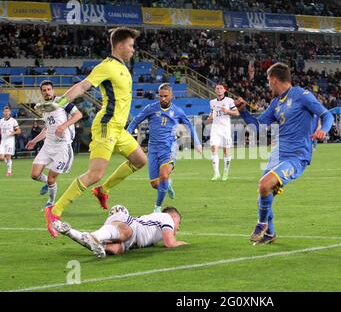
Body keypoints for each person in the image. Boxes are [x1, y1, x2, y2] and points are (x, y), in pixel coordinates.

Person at [37, 27, 147, 238]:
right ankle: (54, 211)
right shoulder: (106, 66)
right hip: (106, 126)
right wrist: (59, 103)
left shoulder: (123, 67)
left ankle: (103, 190)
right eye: (131, 45)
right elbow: (82, 86)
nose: (133, 50)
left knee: (140, 161)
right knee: (94, 174)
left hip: (119, 128)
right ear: (121, 45)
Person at [234, 63, 334, 244]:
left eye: (268, 81)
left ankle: (261, 224)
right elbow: (258, 127)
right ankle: (270, 234)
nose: (268, 85)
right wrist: (243, 111)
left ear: (273, 80)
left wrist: (323, 130)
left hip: (297, 155)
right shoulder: (275, 103)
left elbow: (327, 115)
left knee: (264, 185)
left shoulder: (302, 95)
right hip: (278, 153)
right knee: (262, 197)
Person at [127, 83, 202, 213]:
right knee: (155, 184)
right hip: (153, 149)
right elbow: (136, 120)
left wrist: (197, 142)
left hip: (169, 148)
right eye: (160, 96)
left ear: (171, 96)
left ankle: (157, 207)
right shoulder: (151, 108)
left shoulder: (177, 111)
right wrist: (128, 132)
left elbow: (190, 126)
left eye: (165, 96)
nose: (163, 99)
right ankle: (168, 185)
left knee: (163, 175)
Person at [25, 80, 82, 207]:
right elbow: (47, 128)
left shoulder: (61, 101)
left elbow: (78, 115)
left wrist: (63, 126)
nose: (47, 92)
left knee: (52, 179)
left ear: (53, 90)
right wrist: (34, 141)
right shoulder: (44, 107)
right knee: (34, 175)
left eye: (49, 89)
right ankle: (47, 183)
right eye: (44, 90)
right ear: (41, 93)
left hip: (62, 146)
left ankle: (51, 203)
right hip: (48, 145)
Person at [52, 205, 187, 258]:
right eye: (179, 223)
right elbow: (170, 243)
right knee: (124, 233)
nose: (178, 228)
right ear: (174, 216)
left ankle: (69, 231)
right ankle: (94, 236)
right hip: (130, 226)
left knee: (113, 249)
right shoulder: (167, 217)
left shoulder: (155, 221)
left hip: (130, 241)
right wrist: (186, 244)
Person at [207, 84, 239, 181]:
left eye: (221, 88)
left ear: (225, 90)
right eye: (217, 88)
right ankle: (216, 173)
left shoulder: (229, 101)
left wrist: (227, 111)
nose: (219, 89)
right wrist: (210, 117)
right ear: (215, 91)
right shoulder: (212, 102)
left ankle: (225, 172)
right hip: (215, 128)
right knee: (213, 148)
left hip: (225, 129)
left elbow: (237, 113)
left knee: (226, 151)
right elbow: (212, 112)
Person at [0, 106, 21, 176]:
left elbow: (19, 131)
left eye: (7, 111)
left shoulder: (13, 121)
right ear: (3, 112)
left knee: (8, 156)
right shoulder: (1, 121)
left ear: (10, 112)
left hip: (10, 141)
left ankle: (9, 171)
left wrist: (13, 133)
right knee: (1, 158)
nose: (6, 113)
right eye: (5, 111)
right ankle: (5, 160)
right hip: (3, 141)